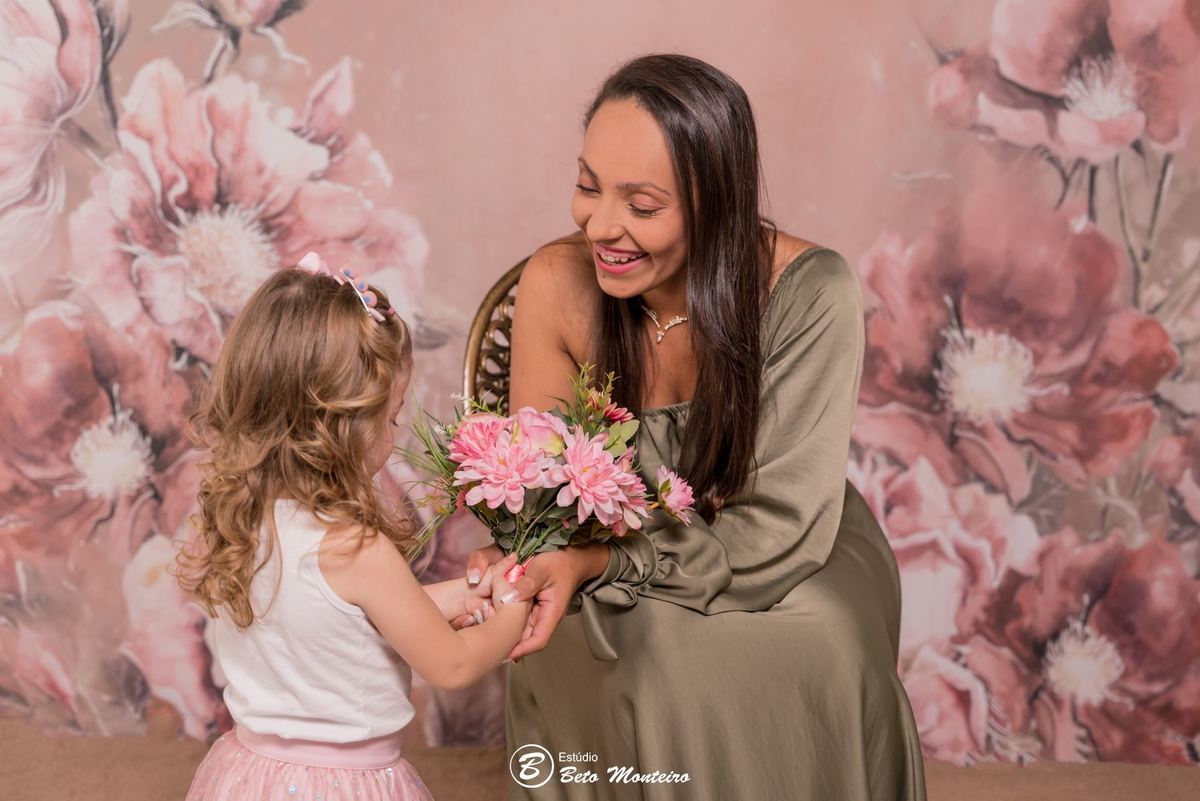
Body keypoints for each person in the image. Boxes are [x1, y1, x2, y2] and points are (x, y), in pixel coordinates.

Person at [462, 54, 928, 800]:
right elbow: (541, 499)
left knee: (833, 642)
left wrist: (605, 565)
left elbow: (780, 522)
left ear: (716, 205)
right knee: (645, 648)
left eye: (641, 205)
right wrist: (538, 547)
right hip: (603, 554)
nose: (600, 224)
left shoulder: (810, 292)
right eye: (588, 185)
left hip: (782, 541)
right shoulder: (556, 282)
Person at [174, 253, 530, 801]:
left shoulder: (246, 515)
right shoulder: (355, 546)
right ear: (337, 427)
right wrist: (514, 607)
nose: (394, 437)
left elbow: (345, 625)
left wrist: (465, 594)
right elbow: (452, 663)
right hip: (343, 784)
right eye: (389, 419)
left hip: (252, 774)